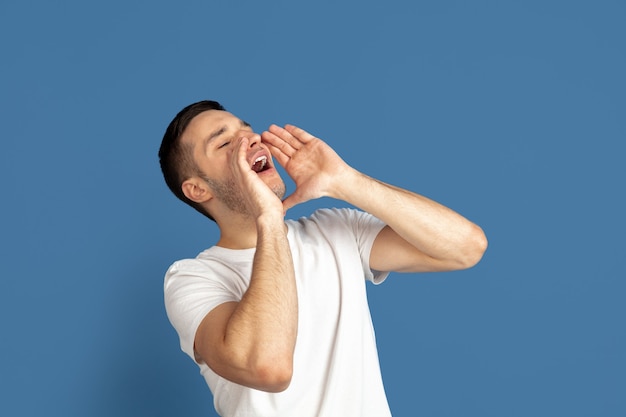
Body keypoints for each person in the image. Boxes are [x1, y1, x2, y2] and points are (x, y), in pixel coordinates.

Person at [159, 100, 487, 417]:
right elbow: (269, 368)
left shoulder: (333, 230)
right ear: (199, 190)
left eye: (247, 130)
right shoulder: (192, 279)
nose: (250, 139)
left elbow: (466, 246)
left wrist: (345, 181)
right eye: (225, 143)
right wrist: (269, 220)